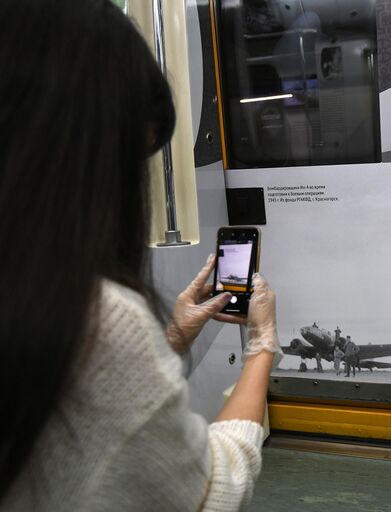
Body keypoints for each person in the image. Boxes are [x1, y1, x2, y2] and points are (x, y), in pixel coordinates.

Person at [0, 2, 279, 509]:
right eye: (131, 156)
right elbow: (215, 492)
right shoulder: (91, 319)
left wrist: (172, 339)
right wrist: (262, 344)